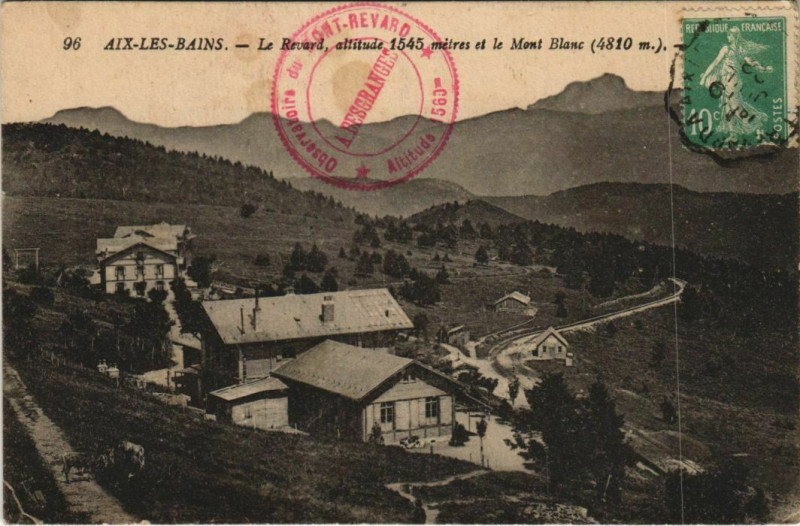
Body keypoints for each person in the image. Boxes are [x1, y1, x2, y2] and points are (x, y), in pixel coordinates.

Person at [699, 27, 773, 144]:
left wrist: (763, 68)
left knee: (735, 106)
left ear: (735, 37)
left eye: (729, 35)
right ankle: (733, 134)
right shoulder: (736, 49)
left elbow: (749, 61)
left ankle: (758, 125)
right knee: (727, 105)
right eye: (727, 35)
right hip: (725, 80)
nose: (728, 38)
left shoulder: (731, 49)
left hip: (733, 81)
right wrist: (763, 68)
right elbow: (717, 63)